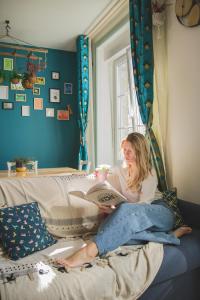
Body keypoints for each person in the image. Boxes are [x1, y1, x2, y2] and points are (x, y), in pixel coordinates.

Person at [56, 132, 192, 268]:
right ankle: (170, 237)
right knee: (107, 230)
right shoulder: (120, 170)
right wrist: (109, 208)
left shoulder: (149, 172)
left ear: (139, 152)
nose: (126, 154)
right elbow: (109, 190)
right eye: (124, 150)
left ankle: (87, 252)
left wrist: (121, 209)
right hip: (136, 217)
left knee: (121, 220)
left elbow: (143, 205)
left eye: (130, 151)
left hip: (159, 213)